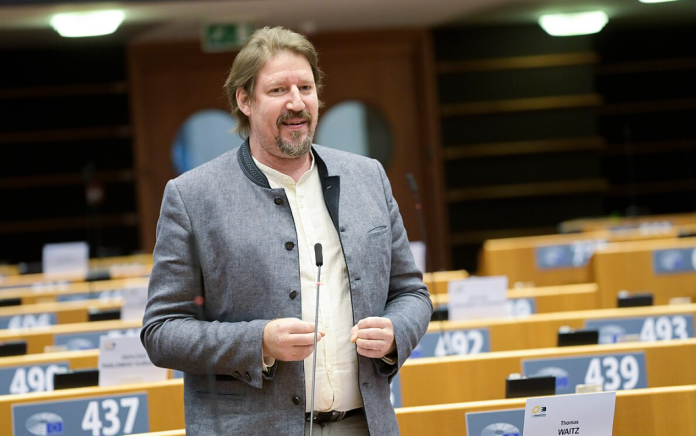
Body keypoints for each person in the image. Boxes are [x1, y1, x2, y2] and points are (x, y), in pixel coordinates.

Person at [141, 26, 432, 436]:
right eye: (278, 90)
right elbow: (161, 332)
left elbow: (411, 293)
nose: (297, 103)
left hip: (364, 424)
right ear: (244, 100)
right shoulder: (193, 197)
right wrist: (258, 341)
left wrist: (396, 332)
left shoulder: (368, 177)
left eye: (305, 88)